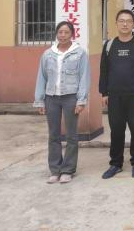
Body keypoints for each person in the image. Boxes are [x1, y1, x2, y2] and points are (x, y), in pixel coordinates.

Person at [99, 9, 134, 179]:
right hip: (115, 95)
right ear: (116, 23)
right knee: (116, 130)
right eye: (121, 21)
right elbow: (104, 70)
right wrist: (104, 92)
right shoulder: (109, 45)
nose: (125, 24)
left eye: (128, 21)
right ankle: (115, 164)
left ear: (133, 24)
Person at [34, 21, 91, 184]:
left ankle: (68, 170)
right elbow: (41, 77)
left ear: (72, 34)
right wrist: (39, 100)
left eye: (66, 32)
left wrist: (81, 100)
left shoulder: (80, 53)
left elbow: (84, 77)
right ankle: (55, 169)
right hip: (51, 97)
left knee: (71, 135)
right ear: (56, 34)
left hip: (70, 97)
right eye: (60, 32)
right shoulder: (48, 54)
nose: (63, 35)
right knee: (53, 135)